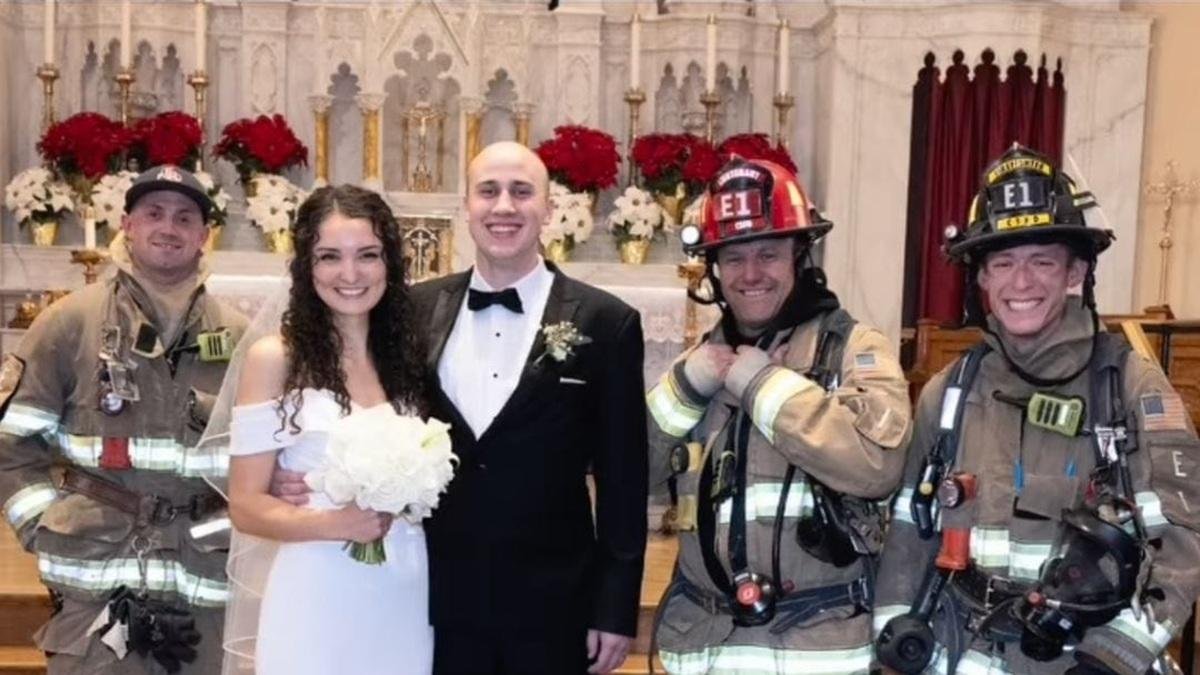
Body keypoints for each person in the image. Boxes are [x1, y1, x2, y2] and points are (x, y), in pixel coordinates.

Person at [271, 141, 649, 674]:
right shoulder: (410, 311)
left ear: (547, 207)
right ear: (465, 207)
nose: (504, 207)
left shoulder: (606, 322)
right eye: (487, 191)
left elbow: (624, 479)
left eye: (522, 192)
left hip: (554, 602)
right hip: (435, 598)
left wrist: (614, 608)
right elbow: (349, 402)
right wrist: (289, 473)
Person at [873, 145, 1200, 675]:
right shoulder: (949, 393)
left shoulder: (1133, 389)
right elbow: (909, 535)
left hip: (1087, 654)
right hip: (963, 653)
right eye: (1002, 263)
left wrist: (1111, 659)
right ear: (980, 279)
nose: (1020, 284)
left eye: (1041, 261)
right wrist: (891, 647)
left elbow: (1182, 545)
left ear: (1076, 273)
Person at [645, 157, 913, 674]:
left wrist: (764, 386)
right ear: (714, 270)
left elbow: (876, 467)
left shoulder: (856, 349)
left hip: (818, 651)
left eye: (768, 253)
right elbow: (632, 475)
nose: (750, 274)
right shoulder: (699, 364)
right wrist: (684, 387)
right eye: (733, 258)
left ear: (800, 255)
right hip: (703, 646)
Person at [0, 165, 246, 673]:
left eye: (184, 218)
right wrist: (44, 527)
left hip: (203, 587)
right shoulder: (69, 322)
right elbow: (12, 445)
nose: (168, 227)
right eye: (153, 213)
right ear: (127, 226)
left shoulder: (239, 337)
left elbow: (257, 461)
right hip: (98, 587)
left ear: (204, 237)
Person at [223, 185, 433, 674]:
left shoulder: (409, 358)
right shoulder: (276, 359)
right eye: (329, 257)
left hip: (406, 585)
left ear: (390, 263)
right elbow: (246, 505)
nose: (351, 274)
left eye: (368, 255)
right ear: (305, 266)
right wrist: (335, 523)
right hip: (317, 586)